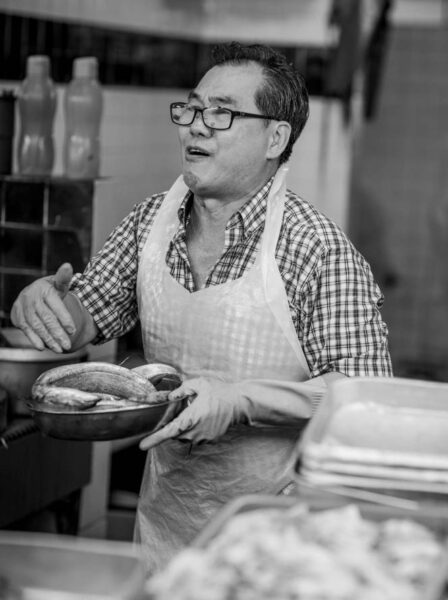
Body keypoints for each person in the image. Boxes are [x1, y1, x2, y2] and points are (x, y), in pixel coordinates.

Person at [11, 42, 392, 571]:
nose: (195, 126)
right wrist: (47, 305)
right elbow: (82, 320)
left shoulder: (317, 249)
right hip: (166, 533)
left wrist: (241, 400)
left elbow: (362, 400)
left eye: (222, 112)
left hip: (278, 544)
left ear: (275, 138)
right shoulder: (151, 222)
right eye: (192, 108)